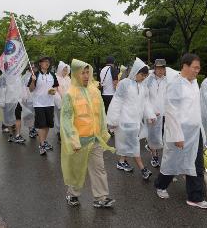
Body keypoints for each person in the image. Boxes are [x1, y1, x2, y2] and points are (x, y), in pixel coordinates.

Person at [154, 53, 207, 209]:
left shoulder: (194, 84)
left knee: (196, 164)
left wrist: (201, 131)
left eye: (199, 68)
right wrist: (177, 136)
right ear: (185, 66)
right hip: (179, 133)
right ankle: (160, 185)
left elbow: (196, 110)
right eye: (195, 67)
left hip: (195, 132)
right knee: (172, 161)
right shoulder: (176, 84)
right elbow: (171, 112)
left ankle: (195, 197)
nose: (197, 71)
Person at [60, 59, 115, 208]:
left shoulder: (94, 91)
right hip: (80, 141)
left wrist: (104, 132)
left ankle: (101, 197)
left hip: (95, 139)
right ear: (76, 74)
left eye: (87, 72)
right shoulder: (70, 94)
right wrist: (73, 140)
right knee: (78, 171)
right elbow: (66, 119)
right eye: (82, 72)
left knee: (99, 168)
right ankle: (72, 194)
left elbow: (101, 114)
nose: (85, 75)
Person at [107, 57, 157, 180]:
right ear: (135, 72)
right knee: (134, 145)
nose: (143, 78)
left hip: (136, 122)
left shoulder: (143, 87)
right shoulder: (125, 84)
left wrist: (150, 115)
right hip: (125, 121)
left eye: (145, 76)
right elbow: (117, 101)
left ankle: (121, 162)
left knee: (127, 145)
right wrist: (113, 121)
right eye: (142, 75)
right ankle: (143, 169)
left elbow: (146, 103)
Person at [28, 56, 59, 155]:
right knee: (41, 125)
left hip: (49, 103)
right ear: (40, 63)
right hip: (39, 104)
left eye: (48, 62)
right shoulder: (35, 74)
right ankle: (41, 145)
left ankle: (44, 142)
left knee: (48, 124)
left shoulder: (52, 75)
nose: (47, 63)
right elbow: (31, 89)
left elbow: (56, 86)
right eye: (45, 62)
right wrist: (33, 80)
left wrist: (53, 91)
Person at [144, 59, 167, 168]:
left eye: (162, 68)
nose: (160, 70)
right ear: (155, 68)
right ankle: (154, 156)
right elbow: (144, 97)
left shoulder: (167, 80)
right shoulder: (148, 80)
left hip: (163, 114)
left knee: (160, 136)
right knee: (153, 135)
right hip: (151, 113)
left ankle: (151, 146)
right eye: (158, 68)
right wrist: (150, 111)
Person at [0, 73, 25, 143]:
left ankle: (18, 135)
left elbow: (21, 87)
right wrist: (1, 102)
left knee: (18, 118)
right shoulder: (3, 77)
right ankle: (11, 135)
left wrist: (23, 97)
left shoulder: (18, 75)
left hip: (17, 100)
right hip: (8, 101)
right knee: (9, 119)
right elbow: (1, 90)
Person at [54, 61, 71, 141]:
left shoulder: (68, 78)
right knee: (59, 117)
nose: (65, 72)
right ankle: (59, 132)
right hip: (60, 102)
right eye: (63, 70)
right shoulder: (56, 78)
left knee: (68, 117)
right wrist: (59, 102)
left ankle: (66, 132)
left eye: (66, 70)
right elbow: (55, 91)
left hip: (68, 102)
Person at [22, 63, 38, 139]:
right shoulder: (25, 77)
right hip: (28, 99)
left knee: (35, 115)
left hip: (35, 99)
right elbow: (24, 88)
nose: (34, 68)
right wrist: (25, 97)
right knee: (29, 115)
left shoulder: (36, 75)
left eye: (34, 67)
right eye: (32, 67)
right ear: (29, 68)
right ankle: (31, 130)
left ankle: (33, 128)